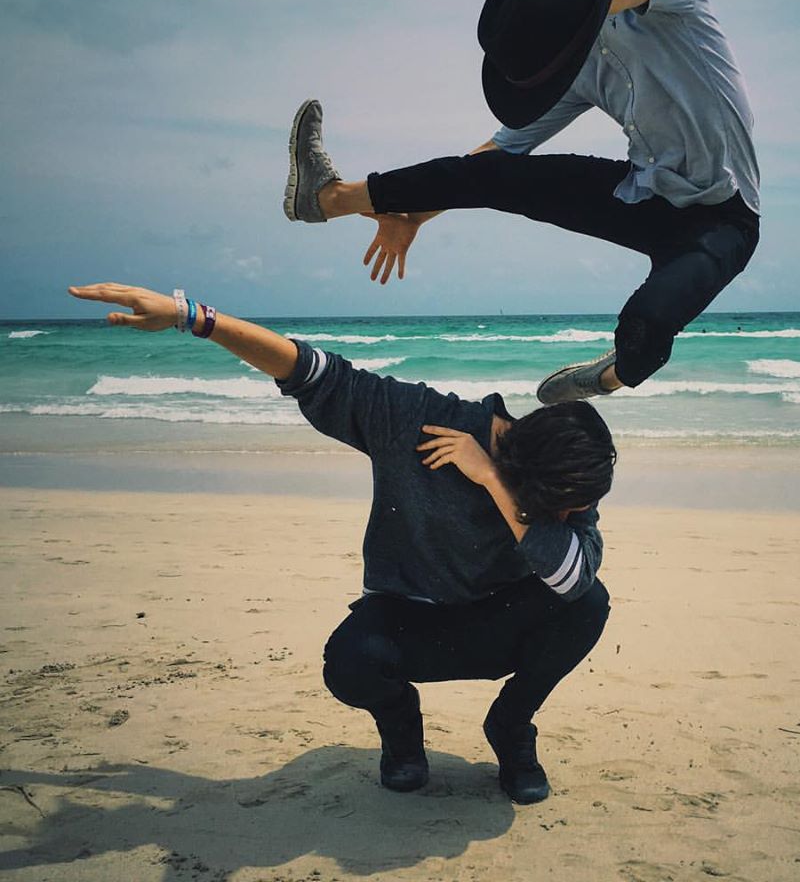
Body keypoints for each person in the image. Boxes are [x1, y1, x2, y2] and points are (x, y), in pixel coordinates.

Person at [67, 282, 615, 805]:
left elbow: (571, 578)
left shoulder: (565, 482)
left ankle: (511, 727)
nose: (571, 517)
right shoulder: (419, 422)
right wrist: (193, 317)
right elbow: (308, 370)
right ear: (524, 459)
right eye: (563, 508)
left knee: (588, 604)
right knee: (349, 664)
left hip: (497, 621)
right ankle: (401, 731)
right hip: (412, 621)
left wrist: (492, 481)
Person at [283, 0, 760, 405]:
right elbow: (500, 151)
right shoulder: (583, 59)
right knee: (494, 173)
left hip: (723, 218)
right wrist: (413, 216)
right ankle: (328, 198)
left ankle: (605, 378)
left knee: (644, 327)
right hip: (642, 196)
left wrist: (572, 4)